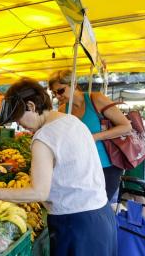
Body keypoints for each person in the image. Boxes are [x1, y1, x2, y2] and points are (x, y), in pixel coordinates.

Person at [0, 78, 117, 256]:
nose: (19, 124)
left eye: (18, 118)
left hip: (76, 224)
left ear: (30, 106)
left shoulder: (43, 137)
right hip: (102, 216)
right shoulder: (73, 121)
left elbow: (38, 193)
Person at [48, 70, 132, 201]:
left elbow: (126, 127)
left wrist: (94, 137)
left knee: (101, 205)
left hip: (107, 165)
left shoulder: (96, 99)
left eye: (60, 91)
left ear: (74, 84)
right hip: (81, 168)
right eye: (54, 93)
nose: (57, 96)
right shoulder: (62, 110)